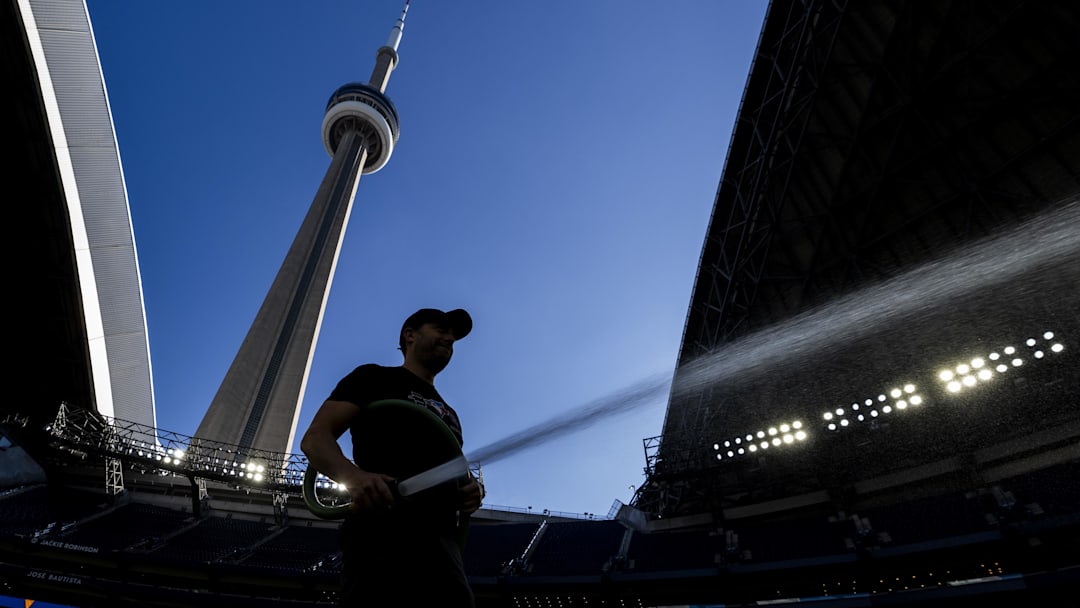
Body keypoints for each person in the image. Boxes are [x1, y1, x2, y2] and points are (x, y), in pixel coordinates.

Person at [300, 308, 484, 607]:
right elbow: (315, 438)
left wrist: (472, 490)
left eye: (454, 336)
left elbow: (450, 466)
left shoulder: (449, 413)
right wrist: (355, 478)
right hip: (382, 535)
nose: (450, 338)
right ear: (410, 335)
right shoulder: (373, 377)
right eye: (440, 328)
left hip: (442, 547)